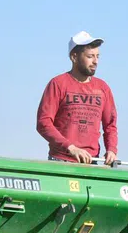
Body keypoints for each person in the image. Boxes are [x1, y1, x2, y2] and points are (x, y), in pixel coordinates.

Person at [37, 31, 119, 164]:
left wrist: (112, 150)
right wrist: (71, 148)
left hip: (91, 162)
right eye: (90, 56)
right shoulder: (58, 84)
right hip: (61, 161)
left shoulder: (103, 88)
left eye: (97, 56)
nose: (95, 61)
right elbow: (43, 123)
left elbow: (110, 125)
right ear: (74, 57)